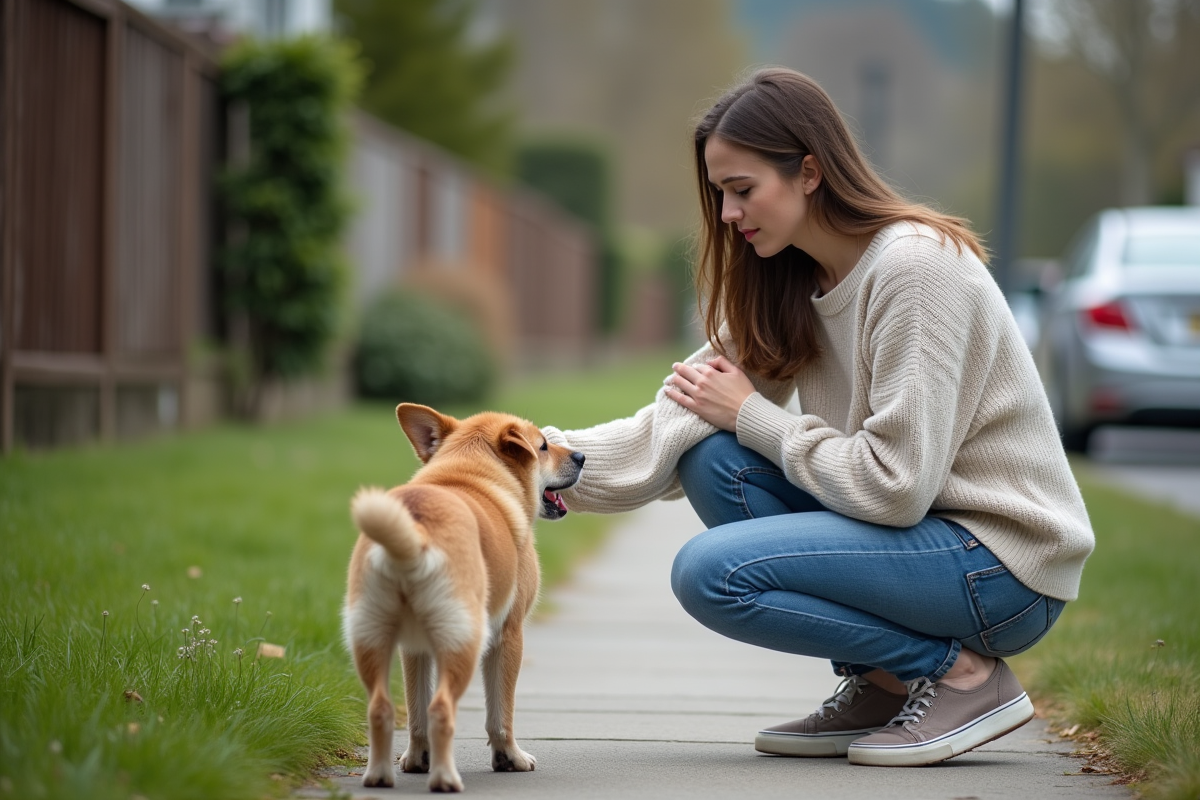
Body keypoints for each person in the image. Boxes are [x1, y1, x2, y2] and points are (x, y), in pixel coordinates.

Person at [542, 67, 1093, 767]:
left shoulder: (915, 271)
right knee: (709, 458)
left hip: (1002, 566)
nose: (728, 215)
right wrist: (529, 458)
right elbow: (674, 421)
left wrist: (753, 416)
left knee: (710, 574)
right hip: (927, 541)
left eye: (743, 190)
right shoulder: (795, 278)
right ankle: (887, 684)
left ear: (808, 171)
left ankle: (961, 676)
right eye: (719, 195)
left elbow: (895, 488)